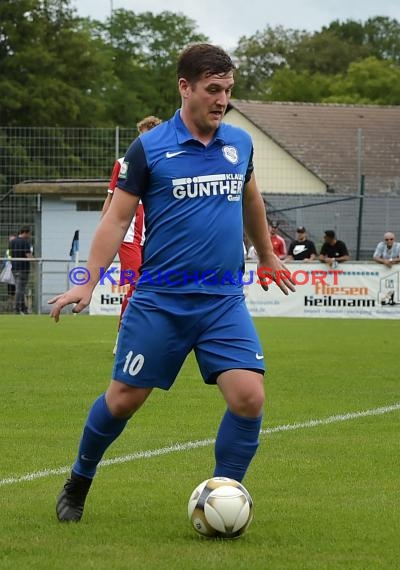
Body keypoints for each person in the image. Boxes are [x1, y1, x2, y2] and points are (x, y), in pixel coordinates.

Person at [49, 43, 296, 523]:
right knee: (123, 400)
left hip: (222, 301)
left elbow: (251, 198)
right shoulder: (149, 148)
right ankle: (79, 479)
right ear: (185, 87)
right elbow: (116, 219)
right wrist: (86, 281)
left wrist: (266, 254)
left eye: (227, 90)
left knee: (249, 396)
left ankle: (224, 494)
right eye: (212, 90)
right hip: (161, 300)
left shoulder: (239, 144)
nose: (221, 100)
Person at [102, 115, 162, 354]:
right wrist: (103, 229)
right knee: (137, 286)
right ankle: (123, 337)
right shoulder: (124, 162)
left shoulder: (164, 162)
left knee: (154, 287)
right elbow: (110, 198)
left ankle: (146, 336)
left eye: (147, 135)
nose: (142, 140)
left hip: (154, 236)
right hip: (128, 238)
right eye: (141, 135)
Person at [10, 226, 33, 314]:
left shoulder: (12, 242)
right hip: (23, 269)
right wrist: (34, 263)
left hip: (14, 268)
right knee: (20, 290)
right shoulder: (25, 242)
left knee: (20, 289)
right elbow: (28, 254)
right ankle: (16, 308)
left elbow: (10, 253)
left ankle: (24, 308)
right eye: (29, 233)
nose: (29, 235)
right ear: (25, 232)